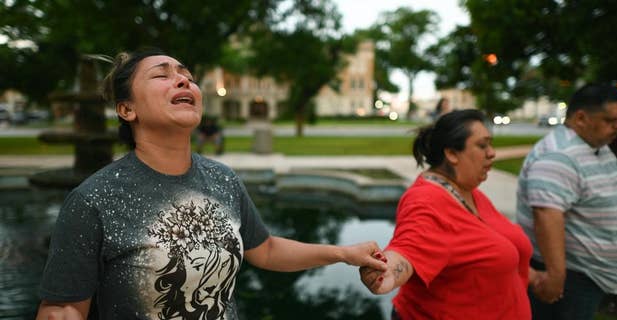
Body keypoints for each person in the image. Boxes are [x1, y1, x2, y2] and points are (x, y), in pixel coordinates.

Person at [36, 48, 387, 320]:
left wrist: (343, 254)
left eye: (187, 75)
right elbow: (63, 309)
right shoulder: (93, 199)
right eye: (162, 75)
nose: (183, 80)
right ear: (127, 110)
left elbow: (264, 250)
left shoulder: (222, 178)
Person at [360, 109, 537, 319]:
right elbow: (408, 248)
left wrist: (536, 278)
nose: (492, 153)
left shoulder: (467, 192)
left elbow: (492, 254)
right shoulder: (425, 200)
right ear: (452, 153)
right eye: (482, 145)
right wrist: (387, 270)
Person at [516, 83, 617, 320]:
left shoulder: (596, 146)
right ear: (581, 118)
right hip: (573, 277)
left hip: (589, 275)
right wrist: (555, 276)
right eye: (610, 120)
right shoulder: (559, 156)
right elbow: (546, 215)